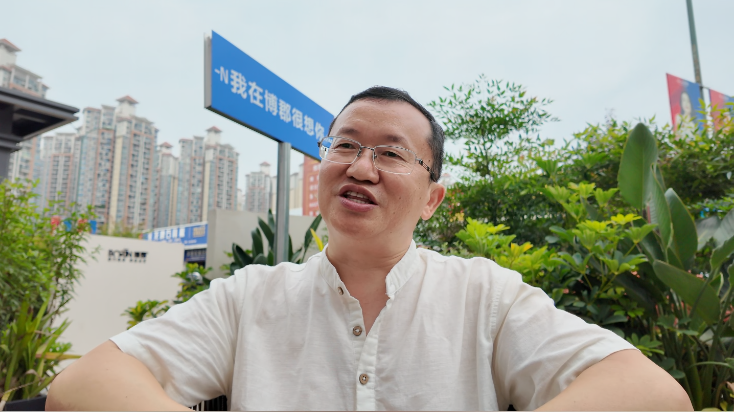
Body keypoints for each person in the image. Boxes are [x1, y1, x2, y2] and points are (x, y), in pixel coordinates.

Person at [47, 87, 692, 411]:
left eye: (389, 153)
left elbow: (652, 393)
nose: (361, 166)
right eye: (346, 145)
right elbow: (82, 385)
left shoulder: (485, 296)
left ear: (432, 198)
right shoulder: (250, 299)